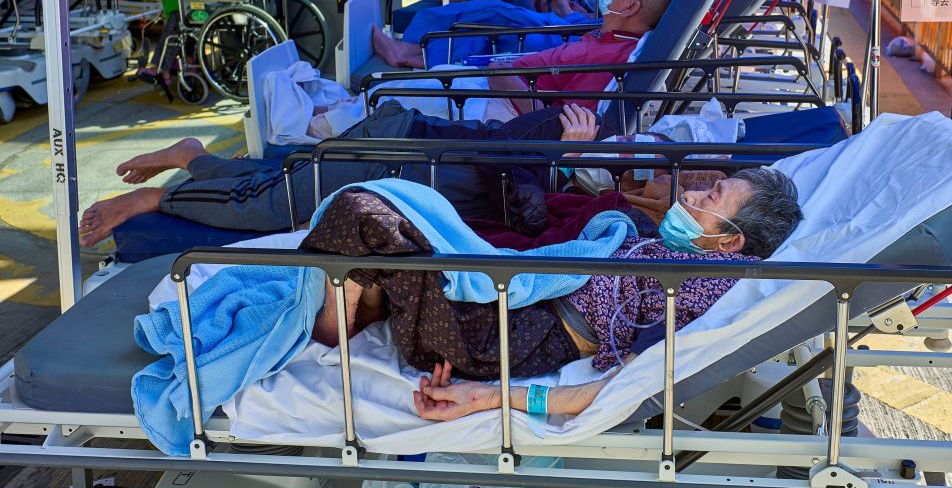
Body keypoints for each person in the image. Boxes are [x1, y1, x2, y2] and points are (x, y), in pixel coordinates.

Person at [298, 166, 802, 406]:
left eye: (711, 194)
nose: (691, 191)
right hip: (518, 303)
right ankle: (353, 304)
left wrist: (484, 398)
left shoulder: (696, 288)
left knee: (362, 213)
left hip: (504, 335)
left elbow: (623, 386)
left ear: (731, 242)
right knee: (398, 215)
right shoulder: (683, 255)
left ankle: (329, 330)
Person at [78, 102, 618, 246]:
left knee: (276, 178)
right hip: (393, 156)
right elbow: (505, 170)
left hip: (398, 154)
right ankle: (151, 201)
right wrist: (558, 155)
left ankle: (188, 155)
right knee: (272, 207)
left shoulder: (575, 162)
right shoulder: (565, 131)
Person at [373, 0, 672, 79]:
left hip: (558, 39)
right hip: (568, 29)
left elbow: (527, 68)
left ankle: (409, 54)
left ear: (631, 6)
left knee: (500, 17)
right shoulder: (619, 34)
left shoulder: (601, 52)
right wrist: (567, 11)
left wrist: (499, 71)